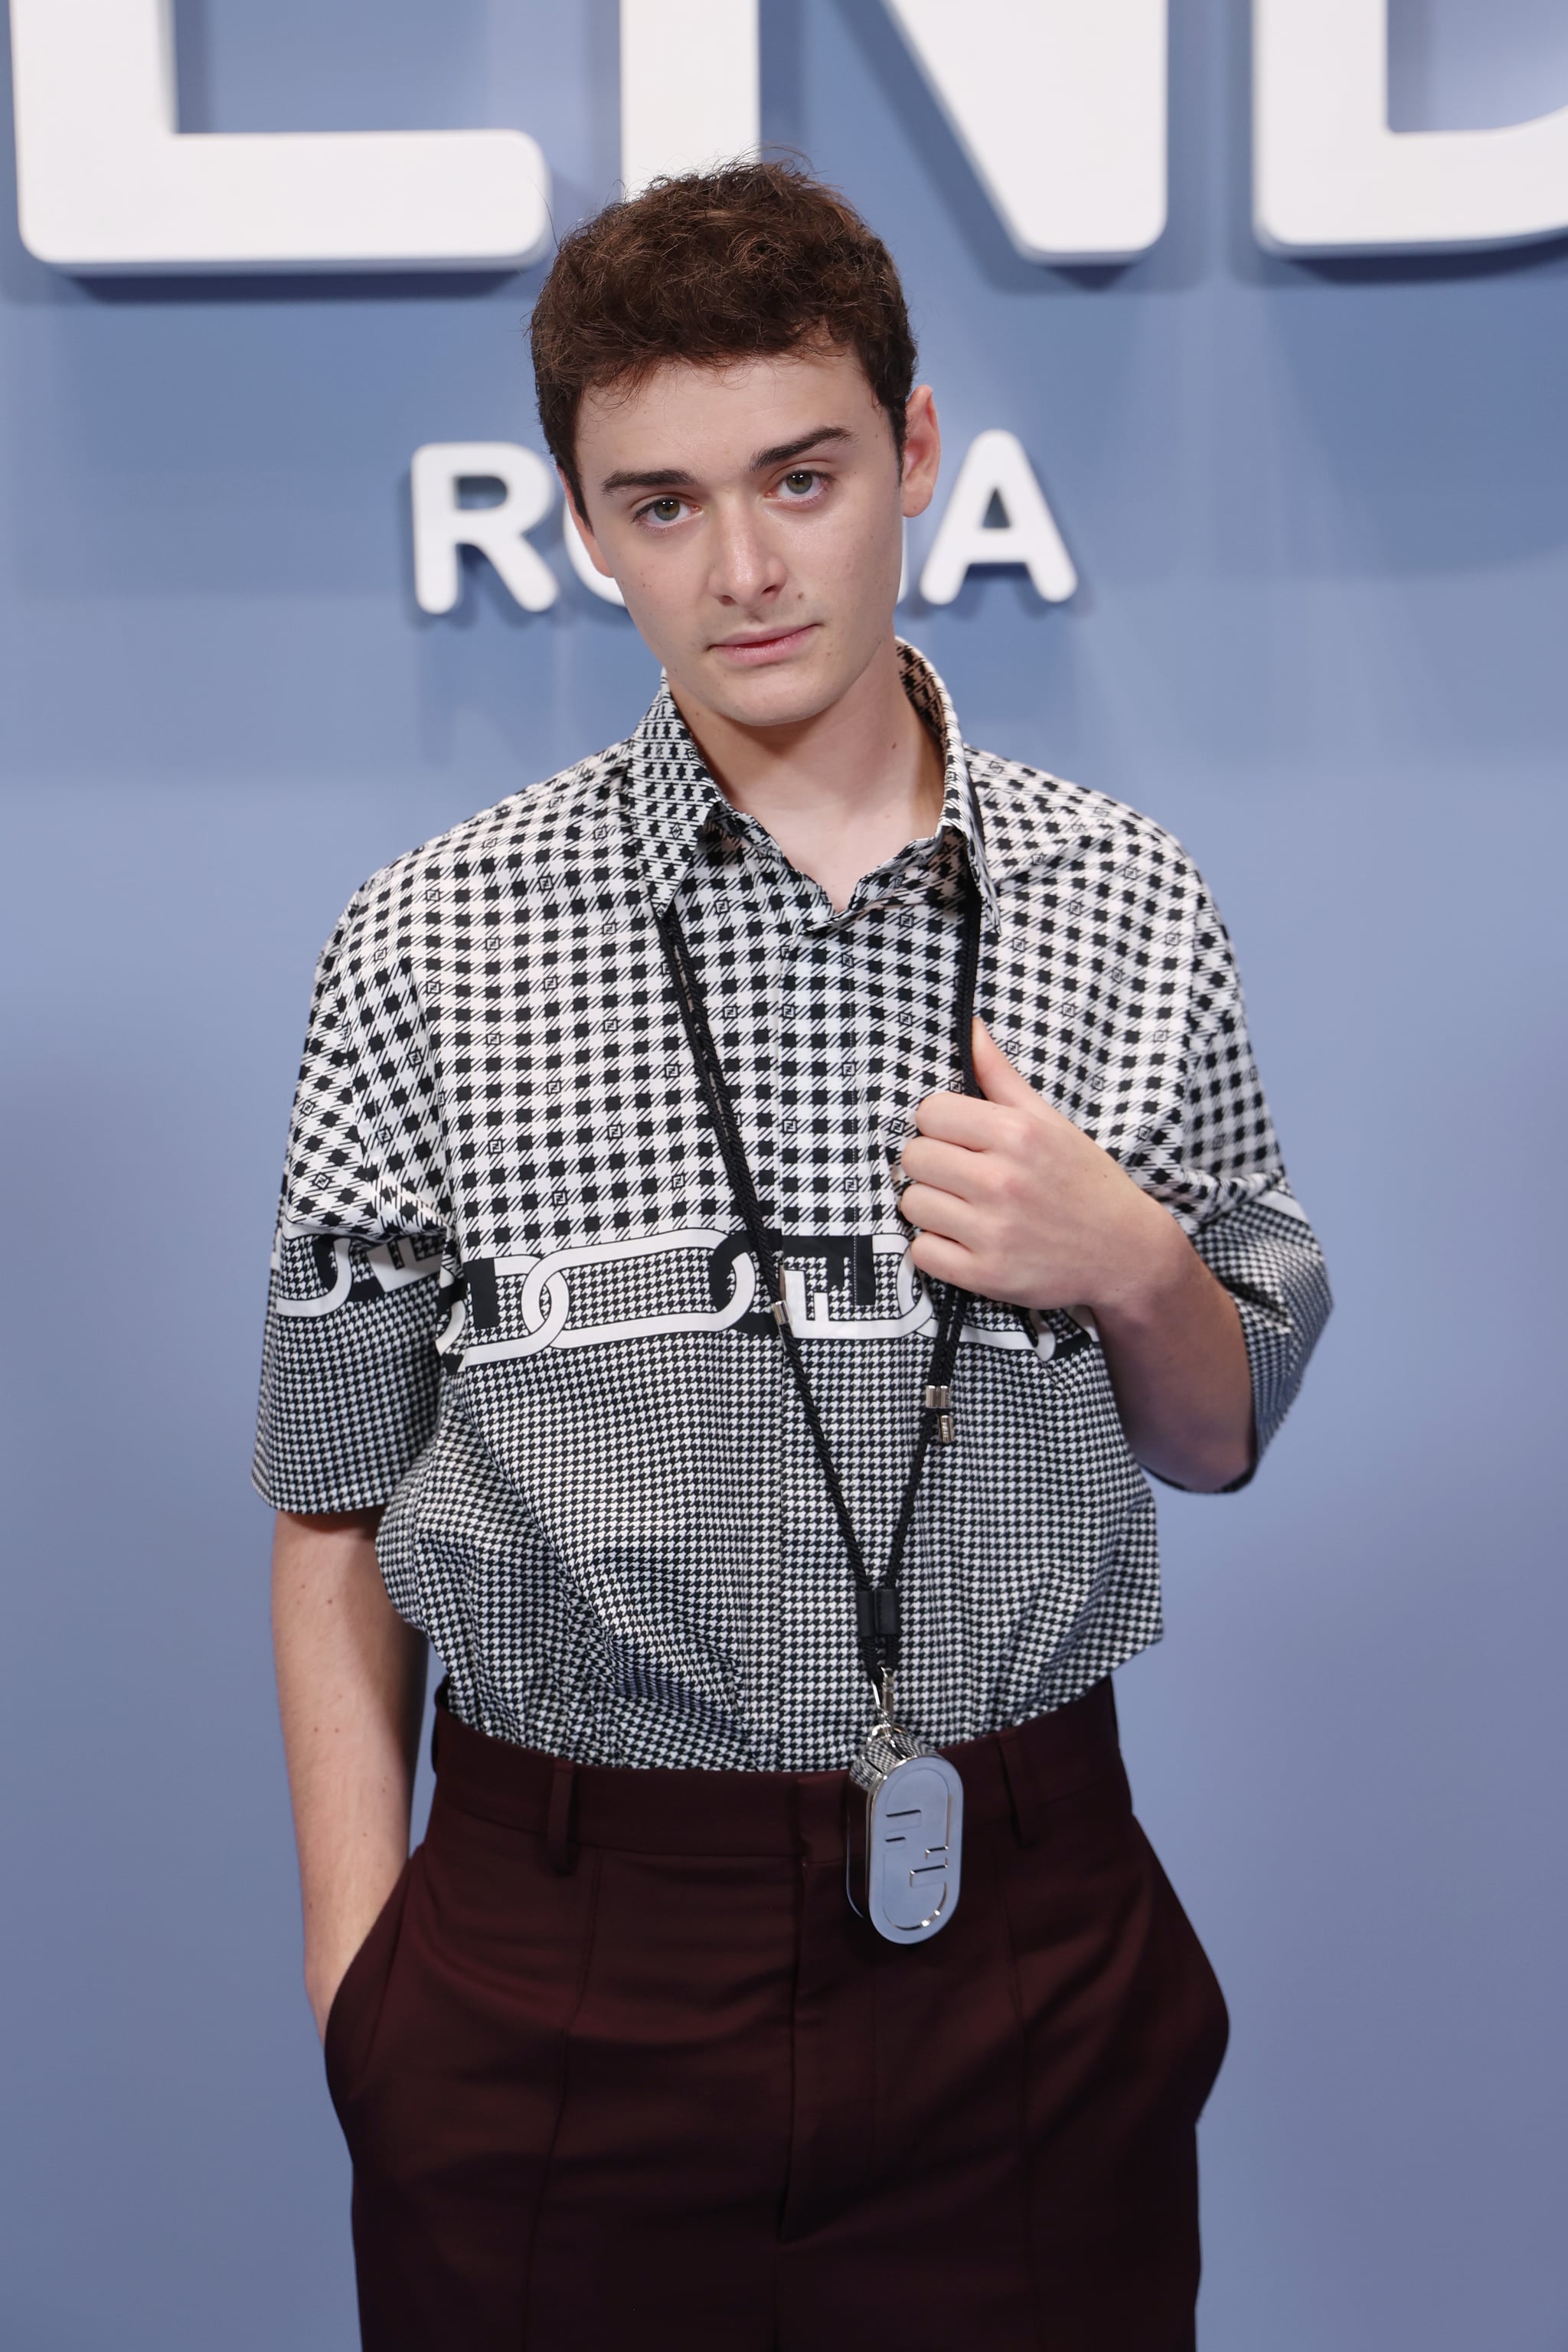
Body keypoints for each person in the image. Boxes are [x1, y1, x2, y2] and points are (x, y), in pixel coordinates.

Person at [258, 162, 1330, 2352]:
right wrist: (364, 1992)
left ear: (913, 456)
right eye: (659, 506)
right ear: (581, 525)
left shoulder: (1122, 899)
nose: (743, 570)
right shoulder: (430, 939)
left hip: (1030, 1941)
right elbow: (332, 1509)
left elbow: (1215, 1441)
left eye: (801, 477)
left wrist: (1129, 1258)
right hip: (562, 1966)